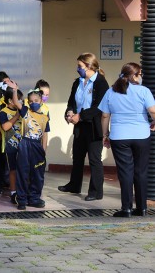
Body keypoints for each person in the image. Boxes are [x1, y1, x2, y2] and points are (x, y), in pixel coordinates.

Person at [98, 63, 155, 217]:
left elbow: (104, 115)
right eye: (140, 74)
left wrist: (105, 135)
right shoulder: (144, 91)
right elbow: (153, 111)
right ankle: (142, 208)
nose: (141, 77)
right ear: (134, 76)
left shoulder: (111, 91)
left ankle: (127, 208)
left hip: (119, 136)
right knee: (141, 172)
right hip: (142, 136)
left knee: (125, 172)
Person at [58, 52, 109, 201]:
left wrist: (80, 116)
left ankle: (96, 191)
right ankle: (74, 185)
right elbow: (71, 102)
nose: (77, 68)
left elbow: (99, 107)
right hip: (80, 126)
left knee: (94, 159)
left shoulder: (100, 82)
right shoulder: (78, 82)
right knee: (78, 157)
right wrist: (69, 112)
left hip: (94, 126)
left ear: (88, 66)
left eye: (79, 66)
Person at [7, 81, 50, 210]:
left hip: (37, 146)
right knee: (23, 172)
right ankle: (21, 199)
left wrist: (44, 149)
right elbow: (16, 102)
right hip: (25, 144)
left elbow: (45, 135)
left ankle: (34, 198)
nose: (33, 103)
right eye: (30, 101)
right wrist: (15, 90)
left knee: (37, 173)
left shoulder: (45, 117)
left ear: (41, 101)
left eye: (36, 100)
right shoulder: (25, 112)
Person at [0, 88, 23, 204]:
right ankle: (13, 193)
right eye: (18, 99)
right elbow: (5, 127)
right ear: (10, 100)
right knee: (12, 170)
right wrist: (17, 116)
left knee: (23, 169)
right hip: (10, 146)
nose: (20, 102)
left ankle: (23, 191)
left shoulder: (22, 110)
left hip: (23, 145)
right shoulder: (3, 112)